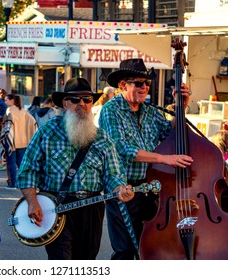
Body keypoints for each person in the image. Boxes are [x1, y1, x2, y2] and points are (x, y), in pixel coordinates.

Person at [17, 77, 134, 260]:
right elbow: (27, 171)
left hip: (91, 208)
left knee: (86, 260)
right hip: (57, 207)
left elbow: (113, 174)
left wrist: (120, 188)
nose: (82, 104)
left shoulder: (102, 138)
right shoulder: (46, 132)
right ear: (65, 103)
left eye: (87, 99)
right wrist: (32, 201)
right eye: (75, 99)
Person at [99, 58, 193, 260]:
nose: (145, 87)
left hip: (150, 190)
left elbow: (172, 134)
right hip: (123, 188)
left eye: (147, 83)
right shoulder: (111, 110)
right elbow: (121, 148)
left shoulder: (150, 111)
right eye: (139, 83)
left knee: (151, 246)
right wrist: (164, 159)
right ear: (123, 85)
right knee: (125, 249)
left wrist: (180, 107)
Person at [2, 94, 36, 190]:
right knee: (21, 163)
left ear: (12, 100)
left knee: (11, 163)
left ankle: (13, 183)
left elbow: (7, 127)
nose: (5, 102)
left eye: (6, 100)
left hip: (12, 141)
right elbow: (33, 122)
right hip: (23, 141)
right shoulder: (23, 111)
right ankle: (22, 182)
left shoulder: (9, 110)